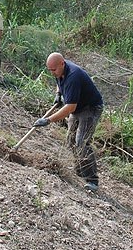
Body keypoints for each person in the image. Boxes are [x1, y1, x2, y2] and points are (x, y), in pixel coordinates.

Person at [32, 53, 104, 191]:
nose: (52, 73)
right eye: (50, 70)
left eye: (54, 70)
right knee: (70, 140)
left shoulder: (73, 76)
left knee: (82, 142)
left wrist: (48, 120)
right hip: (78, 106)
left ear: (62, 64)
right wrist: (58, 94)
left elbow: (70, 107)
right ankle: (79, 170)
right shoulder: (59, 70)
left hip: (90, 108)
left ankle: (92, 180)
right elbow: (59, 81)